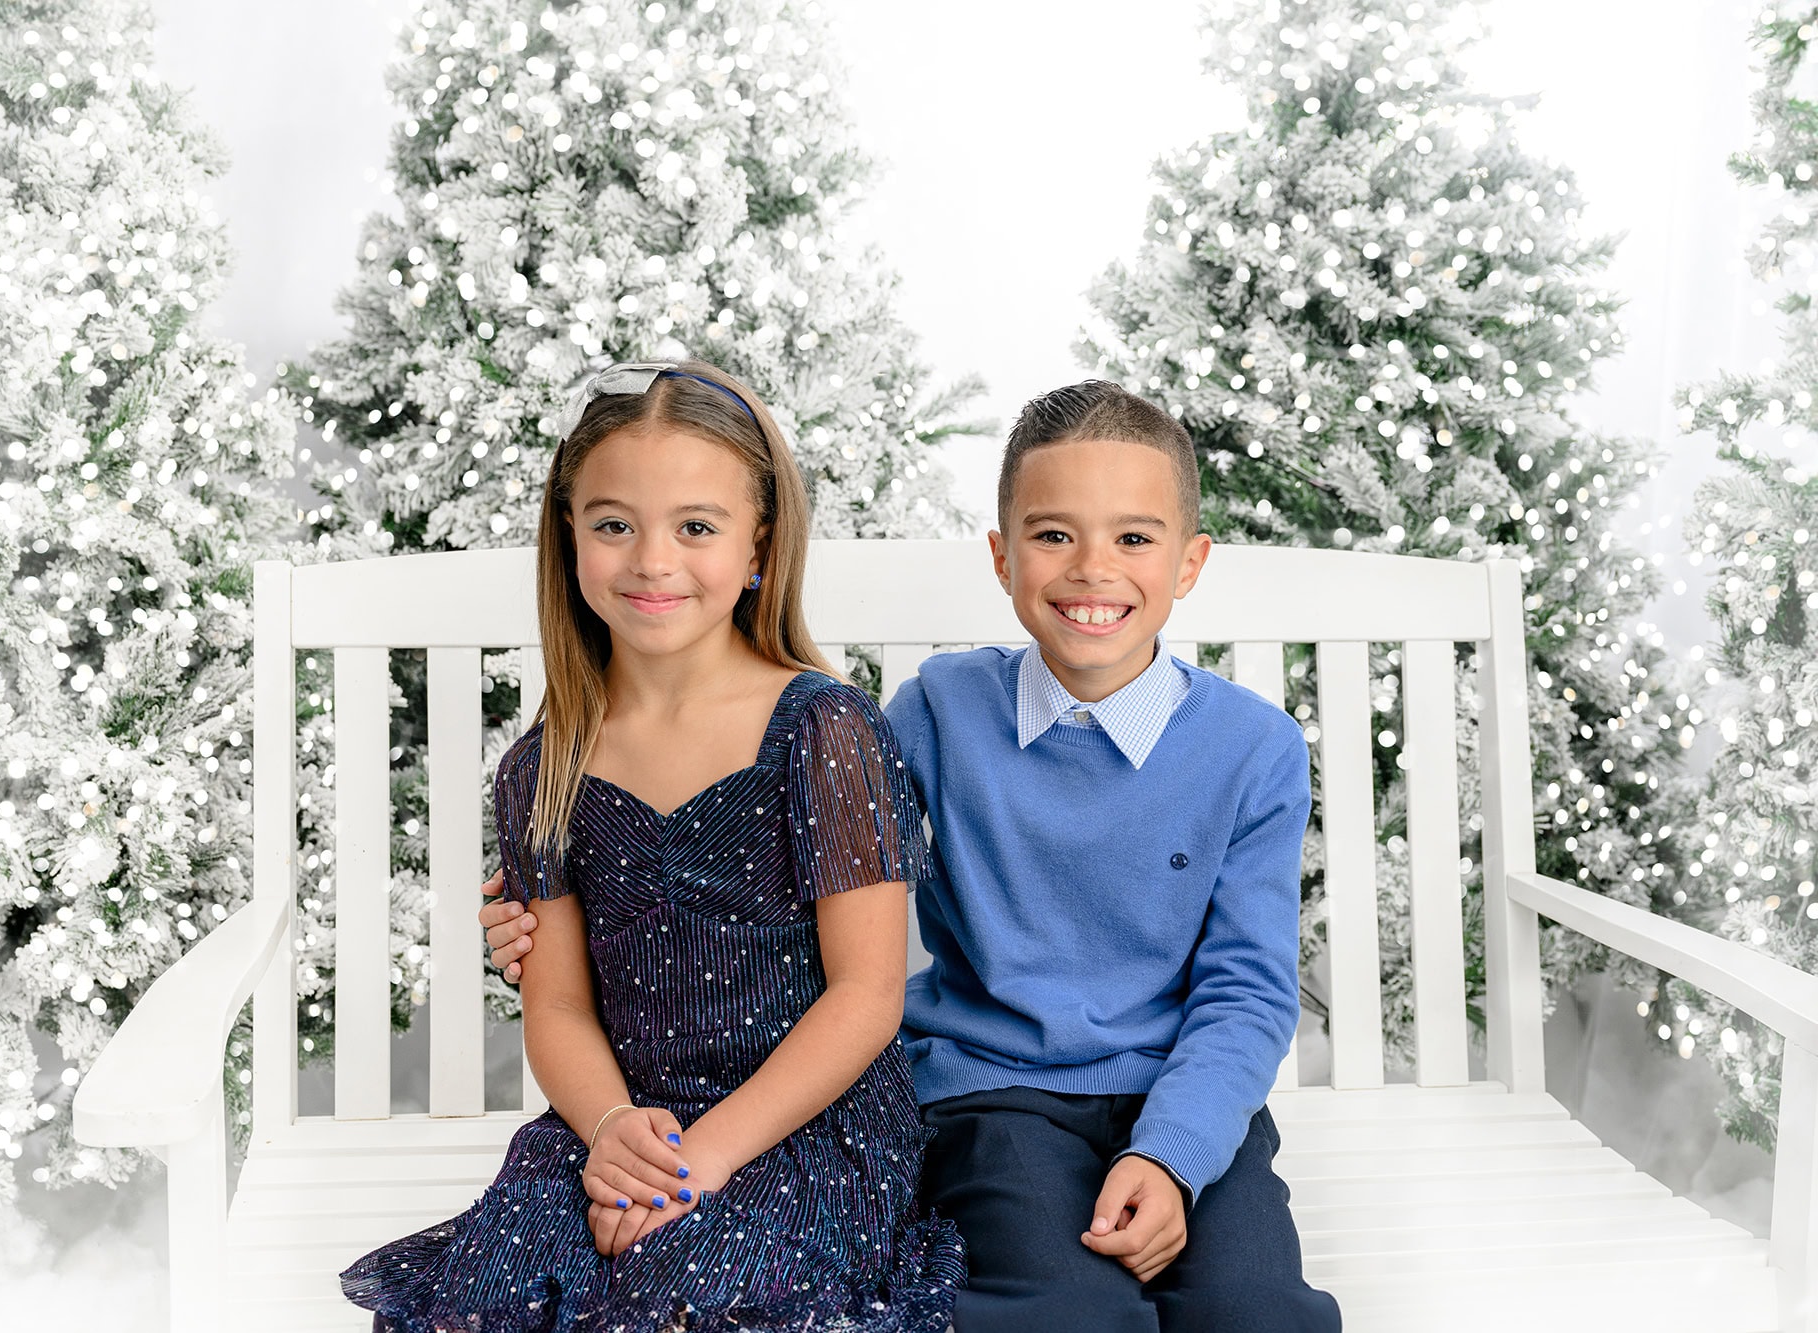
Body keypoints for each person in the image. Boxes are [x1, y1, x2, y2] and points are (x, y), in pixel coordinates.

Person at [484, 379, 1342, 1331]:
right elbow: (779, 851)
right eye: (1054, 535)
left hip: (1190, 1090)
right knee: (1060, 1314)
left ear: (1188, 564)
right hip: (994, 1094)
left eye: (1134, 539)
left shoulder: (1254, 747)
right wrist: (547, 909)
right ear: (1001, 556)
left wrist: (1173, 1151)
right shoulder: (935, 714)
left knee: (1262, 1312)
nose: (1093, 569)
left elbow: (1249, 989)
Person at [340, 361, 963, 1333]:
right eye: (613, 523)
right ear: (570, 538)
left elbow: (865, 997)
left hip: (799, 1123)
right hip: (618, 1118)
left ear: (758, 546)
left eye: (696, 526)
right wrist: (607, 1129)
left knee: (682, 1296)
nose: (650, 559)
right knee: (494, 1295)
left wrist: (700, 1158)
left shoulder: (822, 731)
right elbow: (554, 1005)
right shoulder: (543, 767)